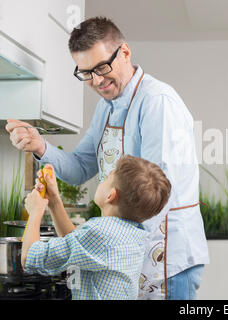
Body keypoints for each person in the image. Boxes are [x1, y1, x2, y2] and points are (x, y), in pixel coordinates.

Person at [6, 16, 209, 300]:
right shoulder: (107, 108)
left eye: (101, 67)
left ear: (124, 52)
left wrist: (106, 246)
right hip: (130, 257)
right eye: (86, 72)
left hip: (167, 259)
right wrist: (40, 146)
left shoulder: (157, 102)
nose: (96, 80)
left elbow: (159, 193)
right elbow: (79, 167)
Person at [21, 155, 172, 300]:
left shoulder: (101, 233)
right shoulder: (134, 232)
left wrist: (36, 211)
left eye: (107, 178)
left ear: (110, 196)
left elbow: (30, 258)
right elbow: (76, 242)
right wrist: (54, 200)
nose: (103, 180)